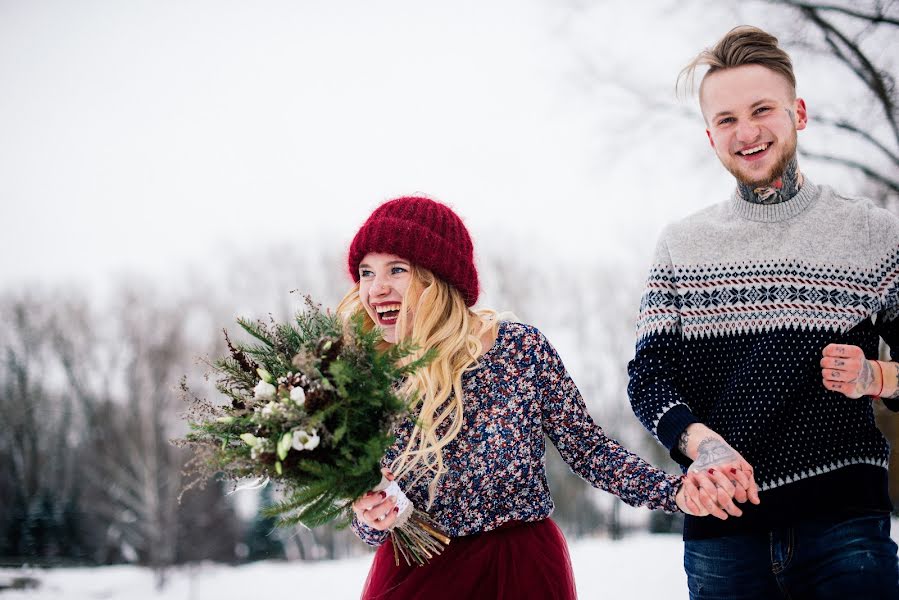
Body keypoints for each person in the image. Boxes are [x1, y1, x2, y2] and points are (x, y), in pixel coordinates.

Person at [627, 25, 899, 599]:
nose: (746, 132)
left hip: (845, 527)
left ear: (798, 113)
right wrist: (700, 443)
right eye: (726, 120)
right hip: (722, 535)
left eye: (762, 110)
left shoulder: (873, 233)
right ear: (710, 137)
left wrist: (875, 377)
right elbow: (648, 379)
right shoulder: (681, 244)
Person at [340, 196, 722, 600]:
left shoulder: (519, 350)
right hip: (417, 571)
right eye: (366, 272)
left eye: (396, 270)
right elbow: (365, 496)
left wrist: (672, 490)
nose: (376, 288)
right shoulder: (365, 374)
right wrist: (372, 518)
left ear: (439, 278)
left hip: (518, 570)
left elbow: (588, 449)